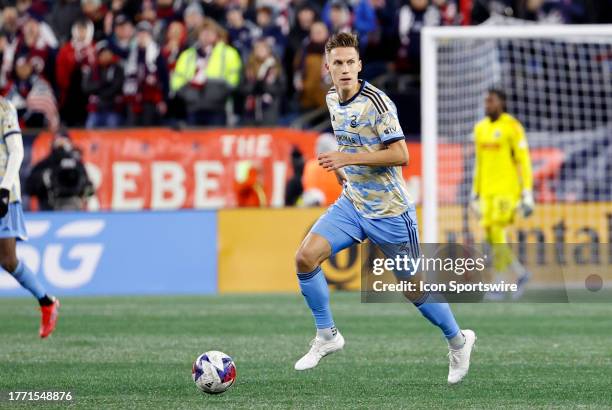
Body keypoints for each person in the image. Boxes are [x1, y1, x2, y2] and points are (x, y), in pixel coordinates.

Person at [293, 32, 476, 385]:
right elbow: (352, 144)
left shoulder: (377, 104)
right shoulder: (332, 99)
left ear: (359, 65)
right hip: (353, 204)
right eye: (338, 63)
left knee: (413, 288)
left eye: (350, 62)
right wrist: (347, 173)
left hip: (391, 213)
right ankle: (328, 336)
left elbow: (401, 155)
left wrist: (348, 158)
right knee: (305, 257)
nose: (345, 69)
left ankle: (458, 339)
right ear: (327, 68)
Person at [0, 97, 59, 338]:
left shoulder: (4, 108)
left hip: (3, 192)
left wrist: (4, 188)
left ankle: (47, 303)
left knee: (9, 260)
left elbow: (16, 151)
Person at [470, 89, 534, 298]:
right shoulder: (480, 128)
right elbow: (479, 163)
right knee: (491, 236)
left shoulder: (512, 127)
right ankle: (520, 273)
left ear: (502, 103)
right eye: (486, 101)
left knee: (497, 231)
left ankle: (499, 281)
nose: (487, 104)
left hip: (507, 191)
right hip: (486, 192)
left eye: (491, 101)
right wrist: (475, 192)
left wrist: (527, 192)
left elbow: (523, 161)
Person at [25, 133, 93, 211]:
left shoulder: (77, 165)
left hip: (75, 208)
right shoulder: (44, 165)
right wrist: (43, 179)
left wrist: (84, 188)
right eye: (59, 143)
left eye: (64, 142)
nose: (61, 147)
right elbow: (29, 188)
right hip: (49, 209)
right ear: (53, 144)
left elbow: (89, 190)